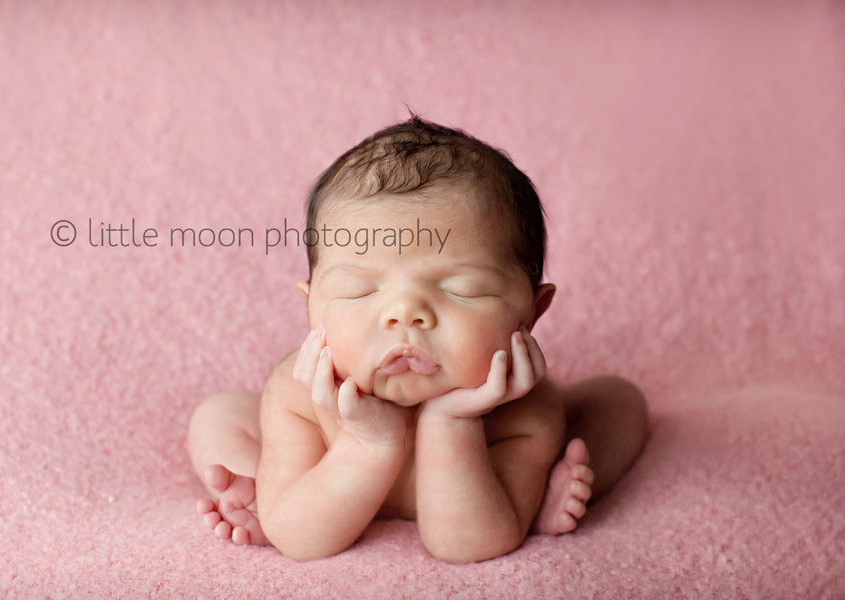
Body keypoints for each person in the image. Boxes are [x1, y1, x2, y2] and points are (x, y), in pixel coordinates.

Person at [187, 116, 649, 563]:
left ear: (532, 312)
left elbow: (467, 546)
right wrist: (366, 443)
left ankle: (523, 499)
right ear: (311, 310)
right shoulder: (300, 394)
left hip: (481, 487)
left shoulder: (524, 409)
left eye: (459, 289)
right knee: (218, 417)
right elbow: (302, 542)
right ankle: (272, 495)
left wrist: (453, 422)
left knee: (617, 402)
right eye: (360, 290)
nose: (404, 315)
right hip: (324, 469)